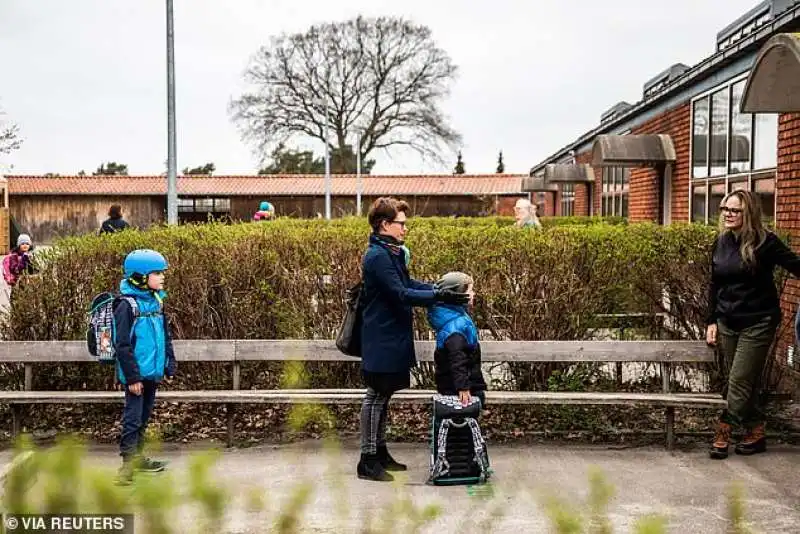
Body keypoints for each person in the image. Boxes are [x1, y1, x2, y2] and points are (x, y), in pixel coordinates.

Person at [357, 197, 469, 482]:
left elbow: (408, 285)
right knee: (375, 396)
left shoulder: (390, 252)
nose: (405, 228)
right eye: (401, 223)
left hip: (391, 336)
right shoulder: (377, 256)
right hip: (380, 337)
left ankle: (379, 451)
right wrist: (440, 295)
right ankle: (367, 459)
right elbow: (400, 294)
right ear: (385, 225)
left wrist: (436, 288)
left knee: (384, 395)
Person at [706, 190, 800, 460]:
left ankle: (723, 431)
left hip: (758, 321)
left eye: (734, 210)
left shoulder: (765, 242)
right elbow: (715, 284)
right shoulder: (722, 242)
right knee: (743, 382)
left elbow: (795, 266)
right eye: (725, 209)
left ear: (748, 214)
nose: (728, 214)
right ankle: (756, 431)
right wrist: (711, 320)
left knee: (738, 380)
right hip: (728, 321)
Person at [114, 249, 176, 484]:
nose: (162, 277)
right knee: (132, 418)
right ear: (140, 276)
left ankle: (139, 457)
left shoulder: (157, 301)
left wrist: (169, 364)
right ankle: (127, 465)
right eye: (157, 273)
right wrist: (132, 378)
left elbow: (164, 335)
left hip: (152, 372)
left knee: (144, 415)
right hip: (136, 376)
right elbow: (122, 345)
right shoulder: (126, 305)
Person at [426, 272, 487, 408]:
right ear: (458, 294)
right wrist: (463, 387)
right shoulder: (455, 327)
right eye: (470, 290)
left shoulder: (457, 317)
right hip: (459, 390)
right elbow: (457, 359)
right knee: (461, 423)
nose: (474, 294)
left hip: (464, 385)